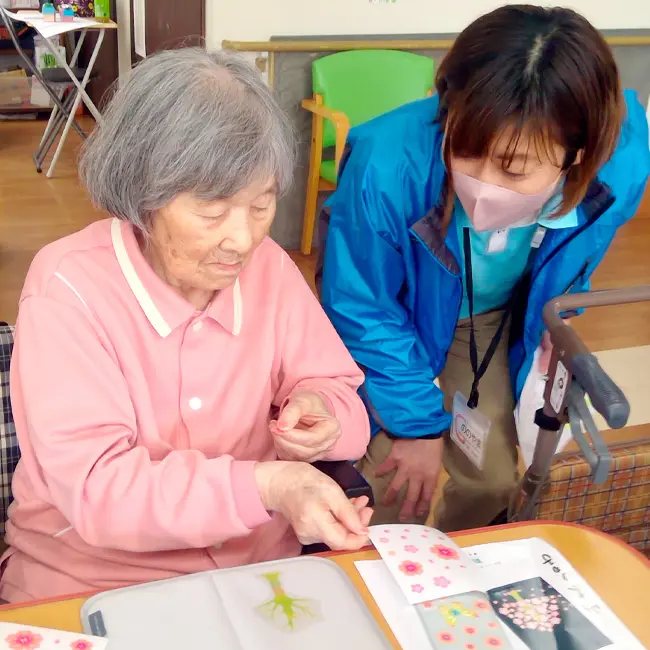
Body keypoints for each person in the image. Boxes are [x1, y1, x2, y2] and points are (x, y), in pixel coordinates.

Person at [0, 48, 373, 603]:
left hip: (259, 575)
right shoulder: (68, 287)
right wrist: (267, 484)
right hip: (92, 579)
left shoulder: (268, 268)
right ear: (142, 193)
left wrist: (320, 414)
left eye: (261, 205)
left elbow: (339, 395)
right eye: (212, 210)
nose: (242, 241)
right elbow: (101, 493)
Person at [319, 5, 650, 531]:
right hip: (396, 312)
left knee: (492, 480)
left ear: (577, 155)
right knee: (389, 478)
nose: (480, 182)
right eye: (464, 149)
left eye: (514, 168)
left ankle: (457, 576)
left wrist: (556, 318)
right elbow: (363, 305)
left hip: (491, 320)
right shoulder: (386, 164)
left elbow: (578, 256)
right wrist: (418, 429)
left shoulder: (620, 167)